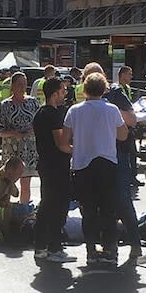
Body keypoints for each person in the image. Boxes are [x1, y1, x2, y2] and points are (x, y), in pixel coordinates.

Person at [60, 72, 128, 266]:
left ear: (84, 88)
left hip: (82, 166)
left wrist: (79, 148)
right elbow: (123, 136)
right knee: (108, 210)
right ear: (105, 89)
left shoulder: (74, 111)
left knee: (88, 211)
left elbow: (64, 141)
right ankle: (110, 250)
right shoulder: (112, 110)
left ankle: (91, 250)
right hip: (107, 164)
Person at [33, 77, 77, 263]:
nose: (65, 93)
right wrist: (81, 149)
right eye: (62, 90)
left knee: (46, 205)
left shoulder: (41, 113)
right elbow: (62, 144)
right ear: (54, 93)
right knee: (57, 207)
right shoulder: (53, 114)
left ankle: (41, 246)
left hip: (46, 165)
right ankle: (54, 248)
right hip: (56, 166)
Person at [105, 64, 142, 259]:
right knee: (109, 203)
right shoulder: (114, 96)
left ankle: (131, 243)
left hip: (115, 155)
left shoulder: (117, 93)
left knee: (120, 200)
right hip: (105, 156)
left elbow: (130, 122)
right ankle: (110, 246)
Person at [0, 72, 40, 204]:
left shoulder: (33, 102)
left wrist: (33, 129)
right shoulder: (5, 105)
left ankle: (24, 211)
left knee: (26, 184)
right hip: (11, 151)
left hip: (28, 150)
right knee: (7, 185)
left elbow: (40, 124)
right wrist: (14, 133)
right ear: (12, 86)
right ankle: (4, 211)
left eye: (24, 84)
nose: (22, 87)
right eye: (19, 84)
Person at [118, 65, 144, 187]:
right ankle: (127, 176)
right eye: (129, 74)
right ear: (122, 75)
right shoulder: (117, 89)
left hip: (130, 124)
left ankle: (132, 176)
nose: (131, 76)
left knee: (132, 152)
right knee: (125, 152)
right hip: (122, 125)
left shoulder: (127, 88)